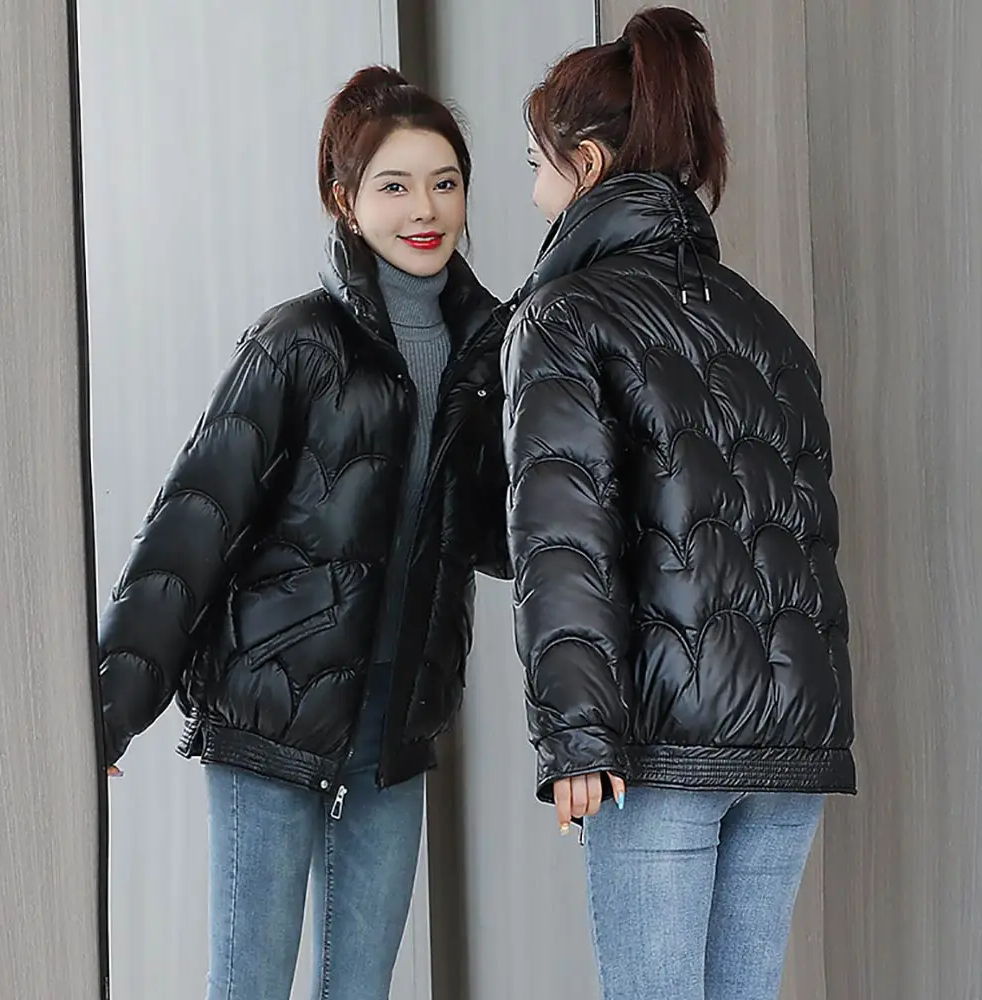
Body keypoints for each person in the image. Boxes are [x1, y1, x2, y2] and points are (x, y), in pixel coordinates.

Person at [98, 65, 509, 1000]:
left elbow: (496, 538)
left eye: (445, 182)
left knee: (359, 988)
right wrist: (113, 703)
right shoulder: (296, 341)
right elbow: (194, 521)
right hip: (270, 714)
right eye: (395, 185)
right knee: (248, 984)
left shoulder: (490, 355)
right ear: (345, 199)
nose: (425, 209)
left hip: (395, 724)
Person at [501, 8, 855, 1000]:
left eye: (534, 165)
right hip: (793, 737)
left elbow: (563, 538)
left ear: (584, 162)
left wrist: (576, 736)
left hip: (663, 747)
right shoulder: (767, 326)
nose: (531, 194)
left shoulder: (562, 315)